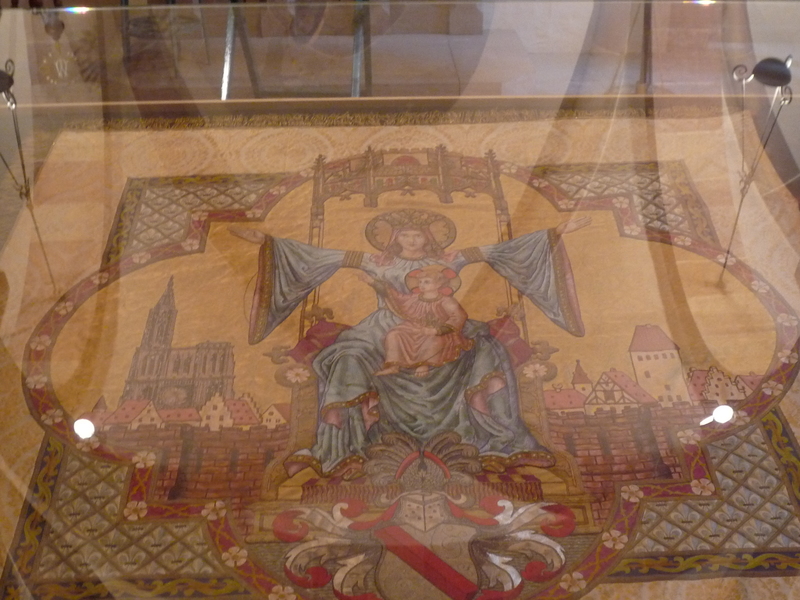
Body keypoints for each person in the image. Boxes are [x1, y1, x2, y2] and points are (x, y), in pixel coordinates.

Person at [230, 209, 590, 478]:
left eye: (418, 235)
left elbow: (497, 251)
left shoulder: (448, 259)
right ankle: (340, 449)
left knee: (488, 350)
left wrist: (555, 233)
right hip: (385, 327)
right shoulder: (376, 261)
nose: (413, 241)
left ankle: (501, 438)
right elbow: (322, 257)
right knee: (348, 357)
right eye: (405, 236)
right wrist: (268, 243)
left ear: (429, 237)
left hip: (440, 325)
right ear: (394, 239)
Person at [369, 265, 473, 378]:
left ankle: (424, 364)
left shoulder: (446, 301)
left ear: (438, 284)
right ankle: (394, 366)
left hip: (439, 330)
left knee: (433, 340)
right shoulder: (414, 298)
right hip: (416, 327)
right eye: (420, 282)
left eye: (427, 282)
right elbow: (397, 297)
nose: (422, 285)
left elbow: (458, 317)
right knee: (394, 334)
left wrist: (436, 330)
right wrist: (373, 282)